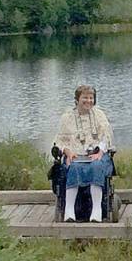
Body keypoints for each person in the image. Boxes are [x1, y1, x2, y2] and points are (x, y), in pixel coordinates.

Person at [54, 85, 115, 222]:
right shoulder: (67, 117)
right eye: (85, 98)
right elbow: (59, 141)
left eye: (91, 98)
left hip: (96, 154)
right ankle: (69, 211)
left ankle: (97, 209)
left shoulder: (99, 115)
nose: (88, 101)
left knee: (97, 166)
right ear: (77, 100)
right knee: (74, 167)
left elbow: (107, 136)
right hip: (75, 154)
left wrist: (100, 150)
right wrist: (67, 151)